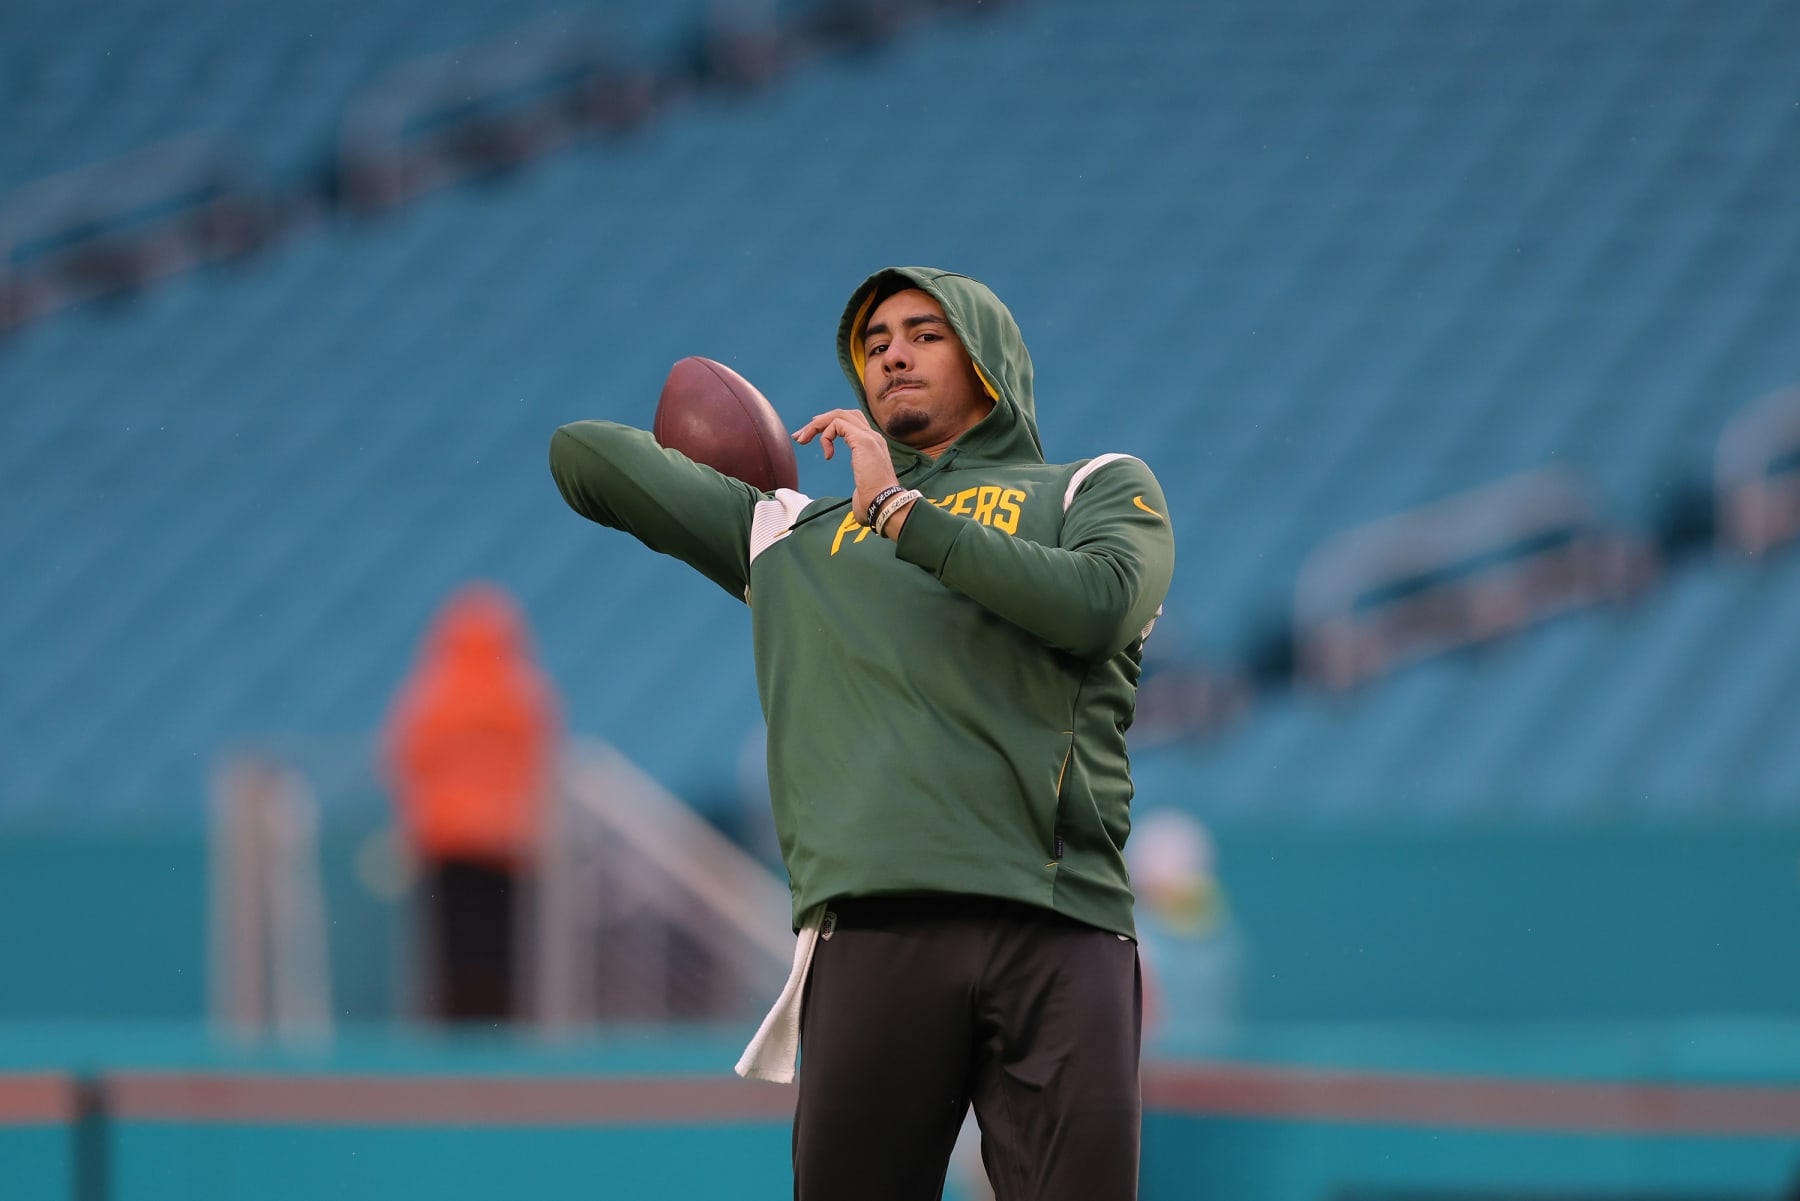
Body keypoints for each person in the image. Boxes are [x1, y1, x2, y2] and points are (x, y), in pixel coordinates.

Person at [549, 266, 1175, 1200]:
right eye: (874, 341)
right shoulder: (794, 535)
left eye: (925, 331)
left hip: (1057, 922)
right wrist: (758, 484)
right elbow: (582, 455)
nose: (891, 350)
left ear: (988, 354)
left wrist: (900, 513)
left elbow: (1100, 604)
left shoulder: (1091, 485)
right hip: (873, 930)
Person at [381, 581, 560, 1022]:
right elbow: (541, 765)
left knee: (450, 949)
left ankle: (451, 1025)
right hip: (508, 849)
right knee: (504, 950)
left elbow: (404, 759)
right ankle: (503, 1024)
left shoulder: (431, 696)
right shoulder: (522, 696)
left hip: (446, 847)